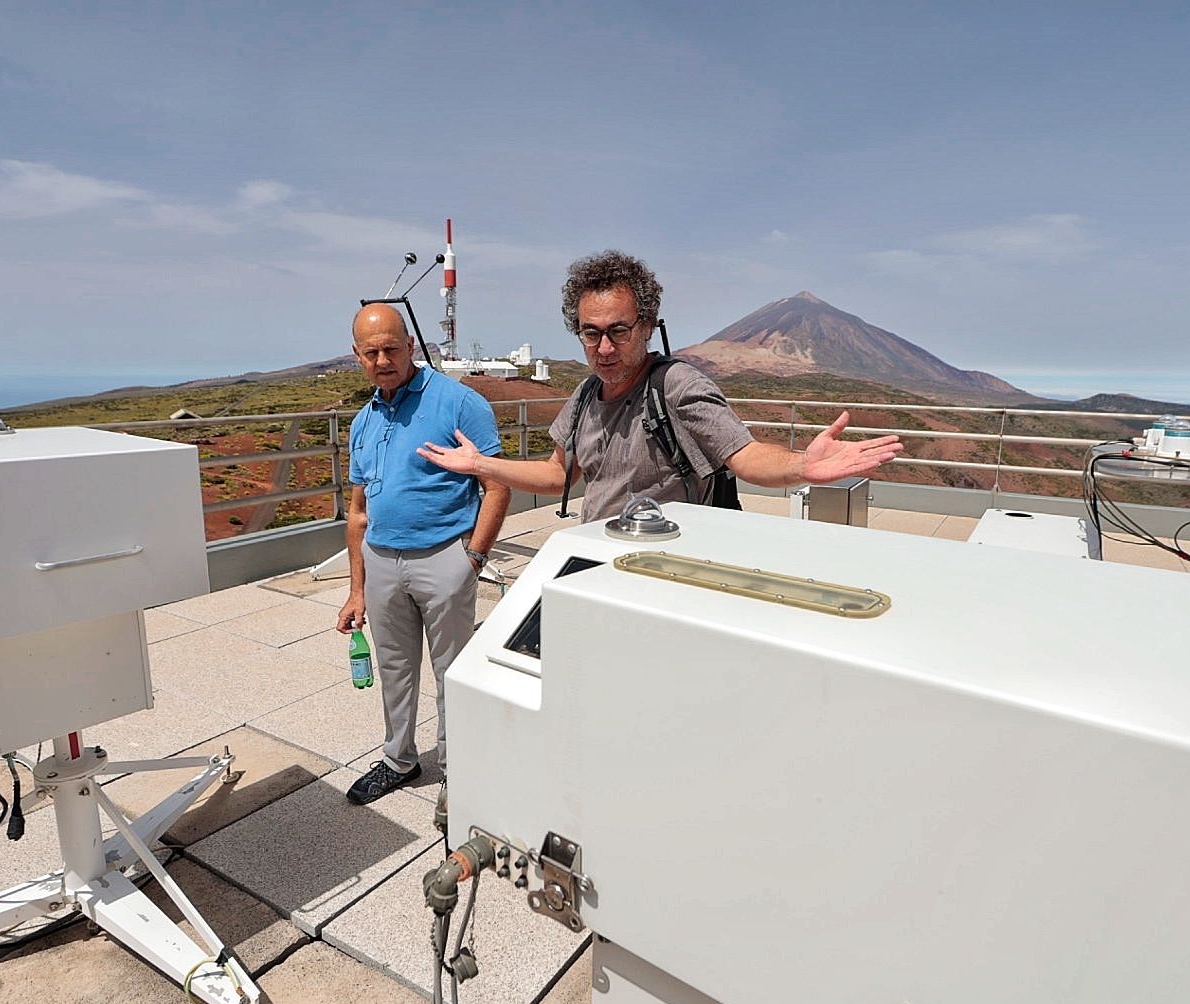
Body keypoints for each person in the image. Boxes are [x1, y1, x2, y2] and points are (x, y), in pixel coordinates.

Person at [417, 250, 905, 521]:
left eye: (619, 331)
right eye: (591, 333)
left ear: (647, 326)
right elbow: (559, 477)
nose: (604, 348)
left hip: (664, 564)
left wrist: (802, 465)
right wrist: (482, 465)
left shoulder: (676, 385)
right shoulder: (585, 396)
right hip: (599, 557)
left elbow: (744, 455)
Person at [337, 303, 510, 805]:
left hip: (444, 557)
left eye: (392, 347)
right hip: (381, 560)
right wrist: (356, 588)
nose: (383, 359)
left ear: (411, 345)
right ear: (357, 356)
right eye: (371, 352)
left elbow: (496, 484)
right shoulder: (363, 421)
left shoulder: (459, 403)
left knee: (451, 670)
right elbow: (357, 510)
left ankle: (460, 769)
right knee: (394, 668)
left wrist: (471, 559)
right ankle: (399, 760)